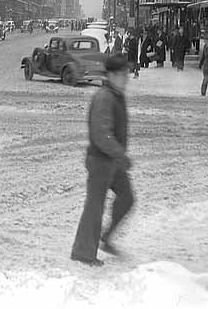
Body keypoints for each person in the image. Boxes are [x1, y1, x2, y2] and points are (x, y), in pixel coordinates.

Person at [71, 54, 134, 267]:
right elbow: (101, 134)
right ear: (112, 75)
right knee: (94, 207)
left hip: (112, 160)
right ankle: (83, 252)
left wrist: (117, 156)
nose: (127, 78)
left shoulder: (116, 95)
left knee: (127, 197)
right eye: (123, 74)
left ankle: (105, 239)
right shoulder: (104, 97)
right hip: (100, 159)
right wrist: (119, 154)